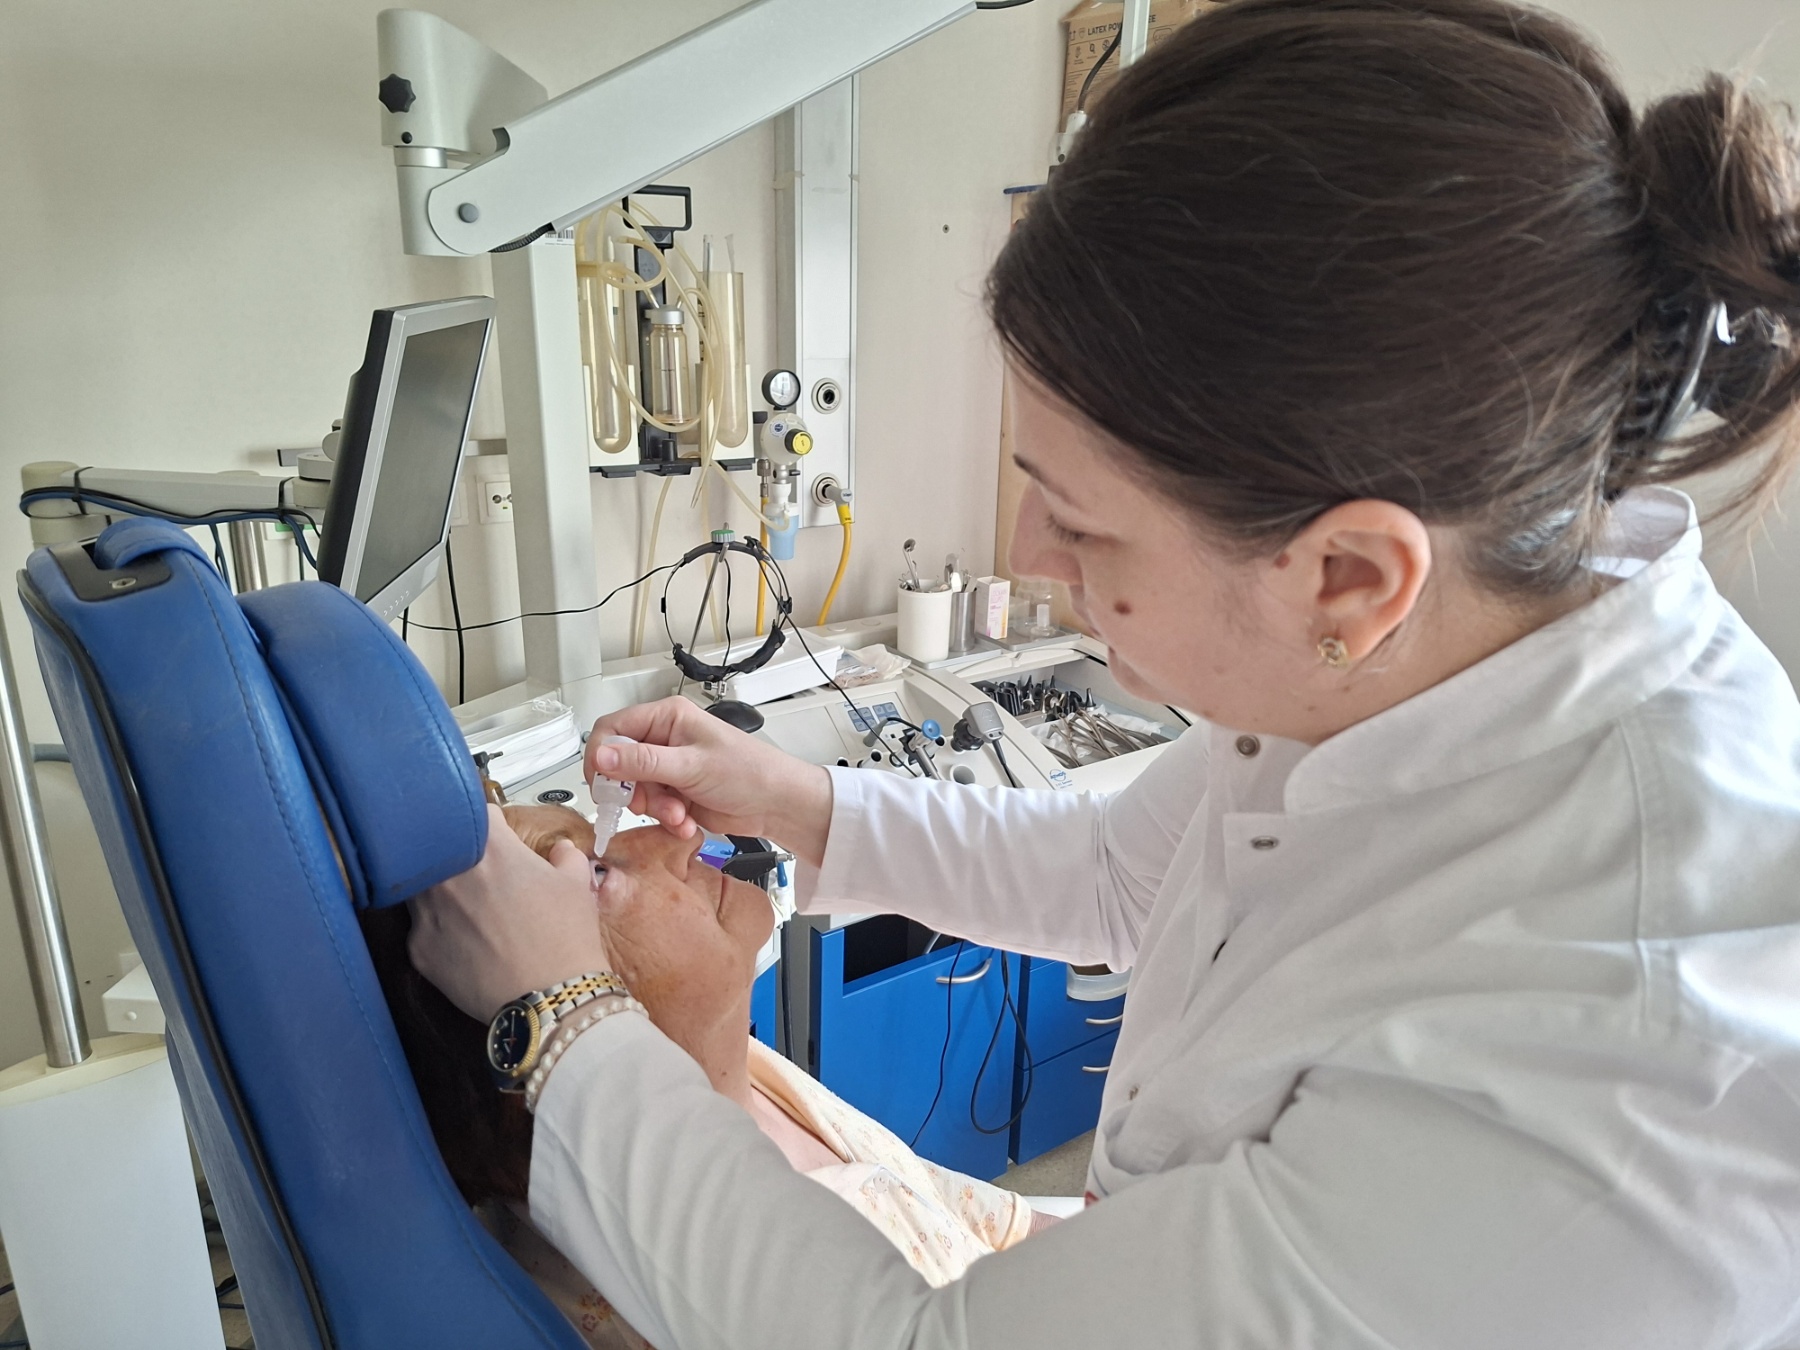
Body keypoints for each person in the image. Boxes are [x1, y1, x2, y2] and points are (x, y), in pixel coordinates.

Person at [405, 1, 1800, 1345]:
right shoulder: (1437, 637)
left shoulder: (1618, 1070)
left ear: (1347, 576)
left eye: (1078, 520)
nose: (1028, 552)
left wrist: (566, 1018)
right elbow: (1127, 876)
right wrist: (797, 802)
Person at [367, 807, 1045, 1348]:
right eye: (597, 872)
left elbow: (983, 1223)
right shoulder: (639, 1304)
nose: (680, 835)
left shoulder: (750, 1075)